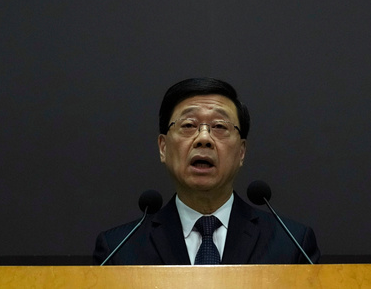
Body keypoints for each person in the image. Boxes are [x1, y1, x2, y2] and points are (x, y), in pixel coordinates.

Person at [93, 77, 321, 264]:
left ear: (241, 151)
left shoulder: (291, 245)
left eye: (220, 127)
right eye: (188, 125)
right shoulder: (119, 251)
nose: (204, 139)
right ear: (163, 147)